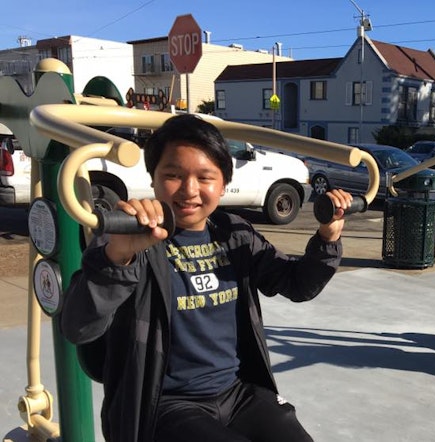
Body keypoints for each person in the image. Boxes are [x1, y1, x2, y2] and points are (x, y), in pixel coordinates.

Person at [60, 114, 353, 441]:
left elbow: (297, 284)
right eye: (172, 175)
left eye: (205, 177)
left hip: (236, 393)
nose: (189, 190)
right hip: (166, 404)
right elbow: (78, 326)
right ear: (153, 178)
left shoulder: (235, 235)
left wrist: (327, 239)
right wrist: (118, 258)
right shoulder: (131, 241)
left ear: (223, 183)